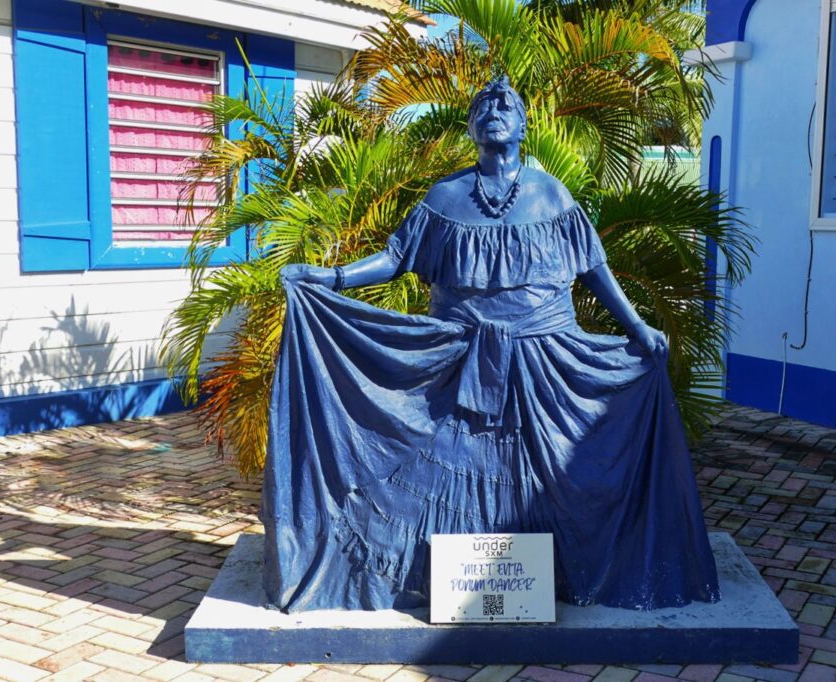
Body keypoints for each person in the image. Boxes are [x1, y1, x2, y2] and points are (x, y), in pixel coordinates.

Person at [263, 76, 720, 613]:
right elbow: (395, 259)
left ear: (525, 126)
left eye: (507, 104)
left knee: (550, 474)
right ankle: (430, 581)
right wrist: (331, 278)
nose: (495, 110)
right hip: (457, 361)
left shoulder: (552, 195)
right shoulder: (445, 196)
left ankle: (553, 582)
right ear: (470, 126)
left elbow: (594, 269)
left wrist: (636, 326)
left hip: (545, 364)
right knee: (442, 467)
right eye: (483, 104)